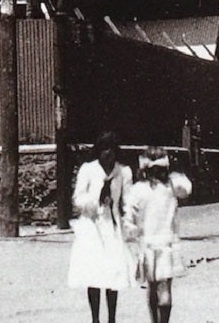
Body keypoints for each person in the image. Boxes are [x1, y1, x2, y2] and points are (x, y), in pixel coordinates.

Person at [68, 131, 134, 323]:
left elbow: (128, 201)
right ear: (98, 151)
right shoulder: (88, 170)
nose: (108, 154)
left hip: (112, 228)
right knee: (94, 272)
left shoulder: (123, 172)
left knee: (113, 273)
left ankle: (111, 318)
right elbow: (78, 199)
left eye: (111, 150)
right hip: (92, 227)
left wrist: (129, 222)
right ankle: (95, 318)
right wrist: (96, 197)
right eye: (104, 149)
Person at [124, 146, 192, 323]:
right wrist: (177, 171)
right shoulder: (171, 186)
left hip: (147, 244)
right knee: (165, 288)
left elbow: (129, 217)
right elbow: (186, 188)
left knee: (152, 287)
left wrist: (133, 231)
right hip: (167, 242)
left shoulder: (138, 189)